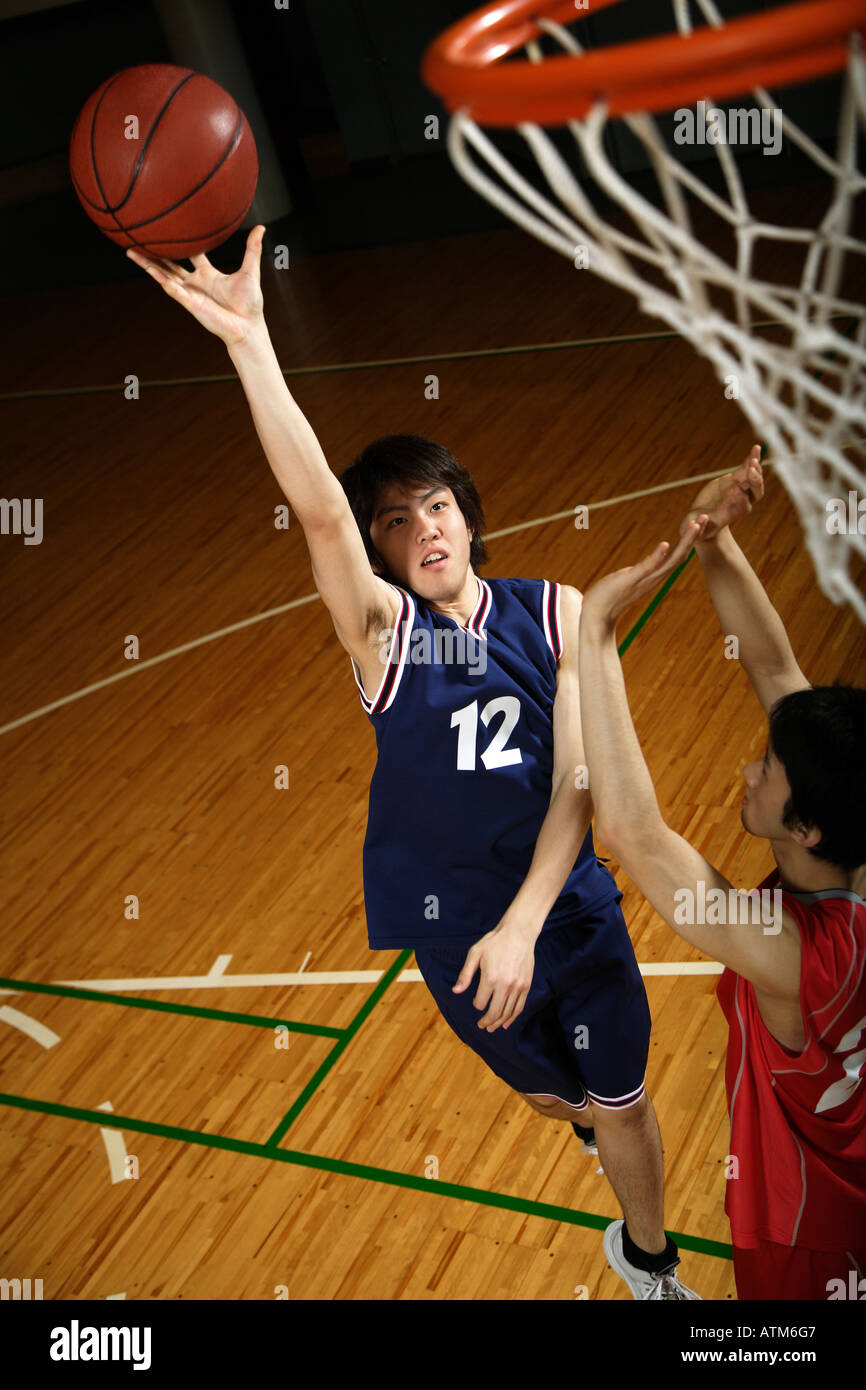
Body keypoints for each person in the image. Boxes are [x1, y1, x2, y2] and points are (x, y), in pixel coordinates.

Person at [126, 224, 698, 1300]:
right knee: (551, 1100)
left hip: (562, 912)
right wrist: (252, 340)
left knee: (621, 1095)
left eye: (435, 504)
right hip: (446, 926)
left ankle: (650, 1259)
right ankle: (581, 1122)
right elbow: (313, 511)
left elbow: (580, 781)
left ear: (467, 518)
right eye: (394, 519)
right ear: (380, 548)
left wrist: (528, 922)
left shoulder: (553, 611)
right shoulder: (387, 641)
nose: (420, 525)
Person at [577, 449, 866, 1300]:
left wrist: (594, 639)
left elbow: (632, 830)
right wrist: (713, 539)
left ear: (805, 825)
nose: (746, 770)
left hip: (812, 1235)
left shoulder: (795, 954)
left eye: (766, 771)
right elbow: (777, 674)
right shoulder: (853, 826)